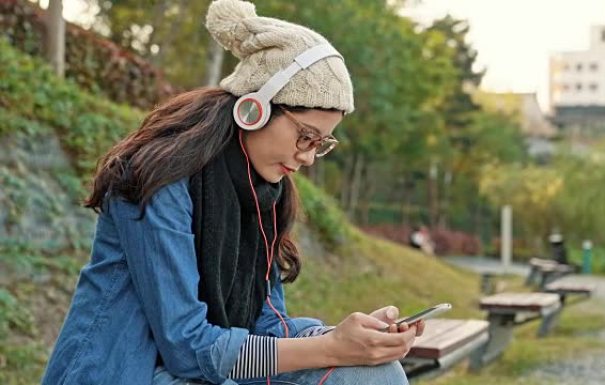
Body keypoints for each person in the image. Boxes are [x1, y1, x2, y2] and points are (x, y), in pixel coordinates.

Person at [40, 1, 424, 384]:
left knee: (373, 375)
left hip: (205, 371)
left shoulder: (267, 195)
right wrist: (330, 348)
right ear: (254, 109)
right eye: (305, 136)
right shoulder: (160, 178)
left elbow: (267, 327)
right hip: (126, 371)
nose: (308, 157)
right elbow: (187, 347)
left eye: (321, 143)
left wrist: (348, 340)